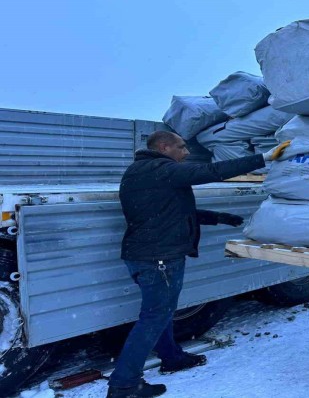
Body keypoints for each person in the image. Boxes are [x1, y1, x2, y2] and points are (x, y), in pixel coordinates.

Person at [107, 131, 290, 398]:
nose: (187, 152)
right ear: (164, 147)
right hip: (159, 258)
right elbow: (212, 171)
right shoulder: (162, 169)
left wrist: (219, 217)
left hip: (143, 255)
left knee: (161, 312)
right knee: (154, 317)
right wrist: (264, 157)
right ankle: (124, 384)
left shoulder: (139, 172)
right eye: (182, 147)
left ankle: (171, 357)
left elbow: (169, 212)